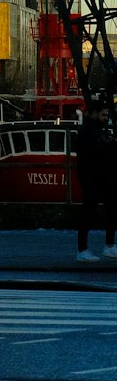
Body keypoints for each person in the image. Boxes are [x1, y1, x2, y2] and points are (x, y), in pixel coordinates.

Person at [74, 100, 117, 261]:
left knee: (106, 208)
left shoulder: (92, 129)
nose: (106, 118)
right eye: (103, 115)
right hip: (92, 176)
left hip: (97, 176)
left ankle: (104, 246)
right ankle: (86, 249)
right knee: (90, 211)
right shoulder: (89, 131)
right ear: (95, 113)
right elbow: (100, 148)